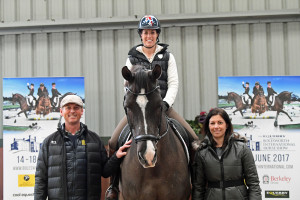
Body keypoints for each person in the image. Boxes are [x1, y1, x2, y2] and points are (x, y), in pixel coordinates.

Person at [105, 15, 199, 199]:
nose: (149, 35)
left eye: (153, 32)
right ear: (141, 35)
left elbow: (174, 83)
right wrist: (133, 104)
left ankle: (195, 184)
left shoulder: (167, 56)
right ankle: (113, 186)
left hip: (162, 106)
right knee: (113, 142)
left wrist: (165, 103)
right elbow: (126, 85)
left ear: (157, 34)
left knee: (195, 141)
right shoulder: (132, 58)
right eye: (146, 32)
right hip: (139, 109)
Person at [34, 95, 131, 200]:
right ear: (61, 112)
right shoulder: (49, 143)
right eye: (68, 108)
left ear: (81, 111)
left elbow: (105, 171)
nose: (72, 111)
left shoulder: (94, 140)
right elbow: (41, 180)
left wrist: (116, 157)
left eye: (76, 108)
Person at [191, 108, 262, 200]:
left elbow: (254, 184)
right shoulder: (202, 153)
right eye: (212, 123)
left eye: (220, 122)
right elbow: (198, 188)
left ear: (227, 125)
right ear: (208, 126)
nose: (216, 126)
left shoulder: (242, 149)